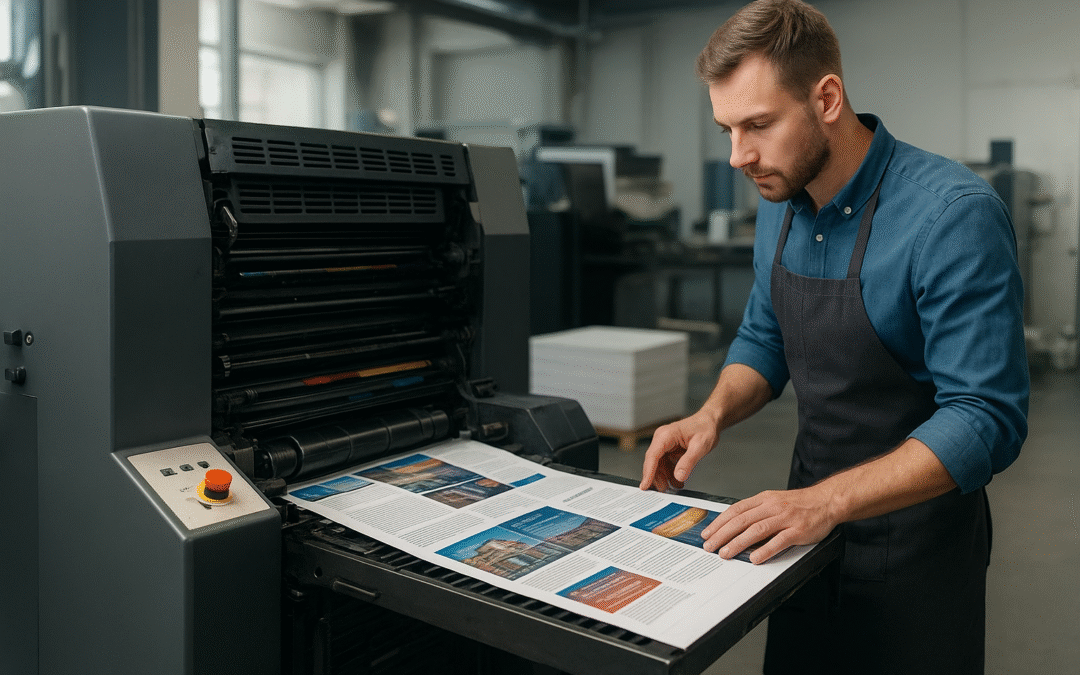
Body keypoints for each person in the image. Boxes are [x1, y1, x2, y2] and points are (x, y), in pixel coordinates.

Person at [638, 1, 1029, 673]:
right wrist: (711, 414)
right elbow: (764, 337)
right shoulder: (779, 200)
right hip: (800, 536)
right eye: (727, 129)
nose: (739, 156)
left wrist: (828, 501)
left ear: (826, 97)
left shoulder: (951, 217)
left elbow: (986, 416)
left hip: (918, 551)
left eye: (757, 124)